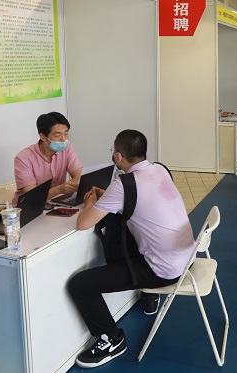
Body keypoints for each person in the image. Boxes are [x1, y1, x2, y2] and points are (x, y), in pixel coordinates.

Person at [68, 130, 195, 369]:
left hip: (162, 270)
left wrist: (91, 203)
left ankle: (111, 340)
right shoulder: (159, 169)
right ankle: (148, 297)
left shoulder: (123, 184)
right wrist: (108, 198)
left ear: (118, 156)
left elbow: (83, 223)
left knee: (80, 285)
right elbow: (142, 200)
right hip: (186, 258)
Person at [13, 112, 82, 205]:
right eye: (57, 135)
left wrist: (73, 184)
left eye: (66, 133)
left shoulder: (67, 147)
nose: (63, 139)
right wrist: (59, 190)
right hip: (29, 207)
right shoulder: (23, 158)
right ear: (42, 136)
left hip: (55, 203)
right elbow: (31, 196)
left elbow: (78, 174)